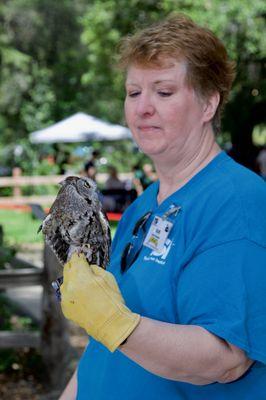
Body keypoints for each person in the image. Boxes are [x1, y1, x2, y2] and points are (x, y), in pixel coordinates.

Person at [59, 14, 266, 399]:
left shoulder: (236, 203)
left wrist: (115, 323)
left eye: (164, 92)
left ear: (208, 104)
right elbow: (104, 349)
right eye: (134, 92)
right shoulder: (144, 205)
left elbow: (224, 359)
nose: (143, 108)